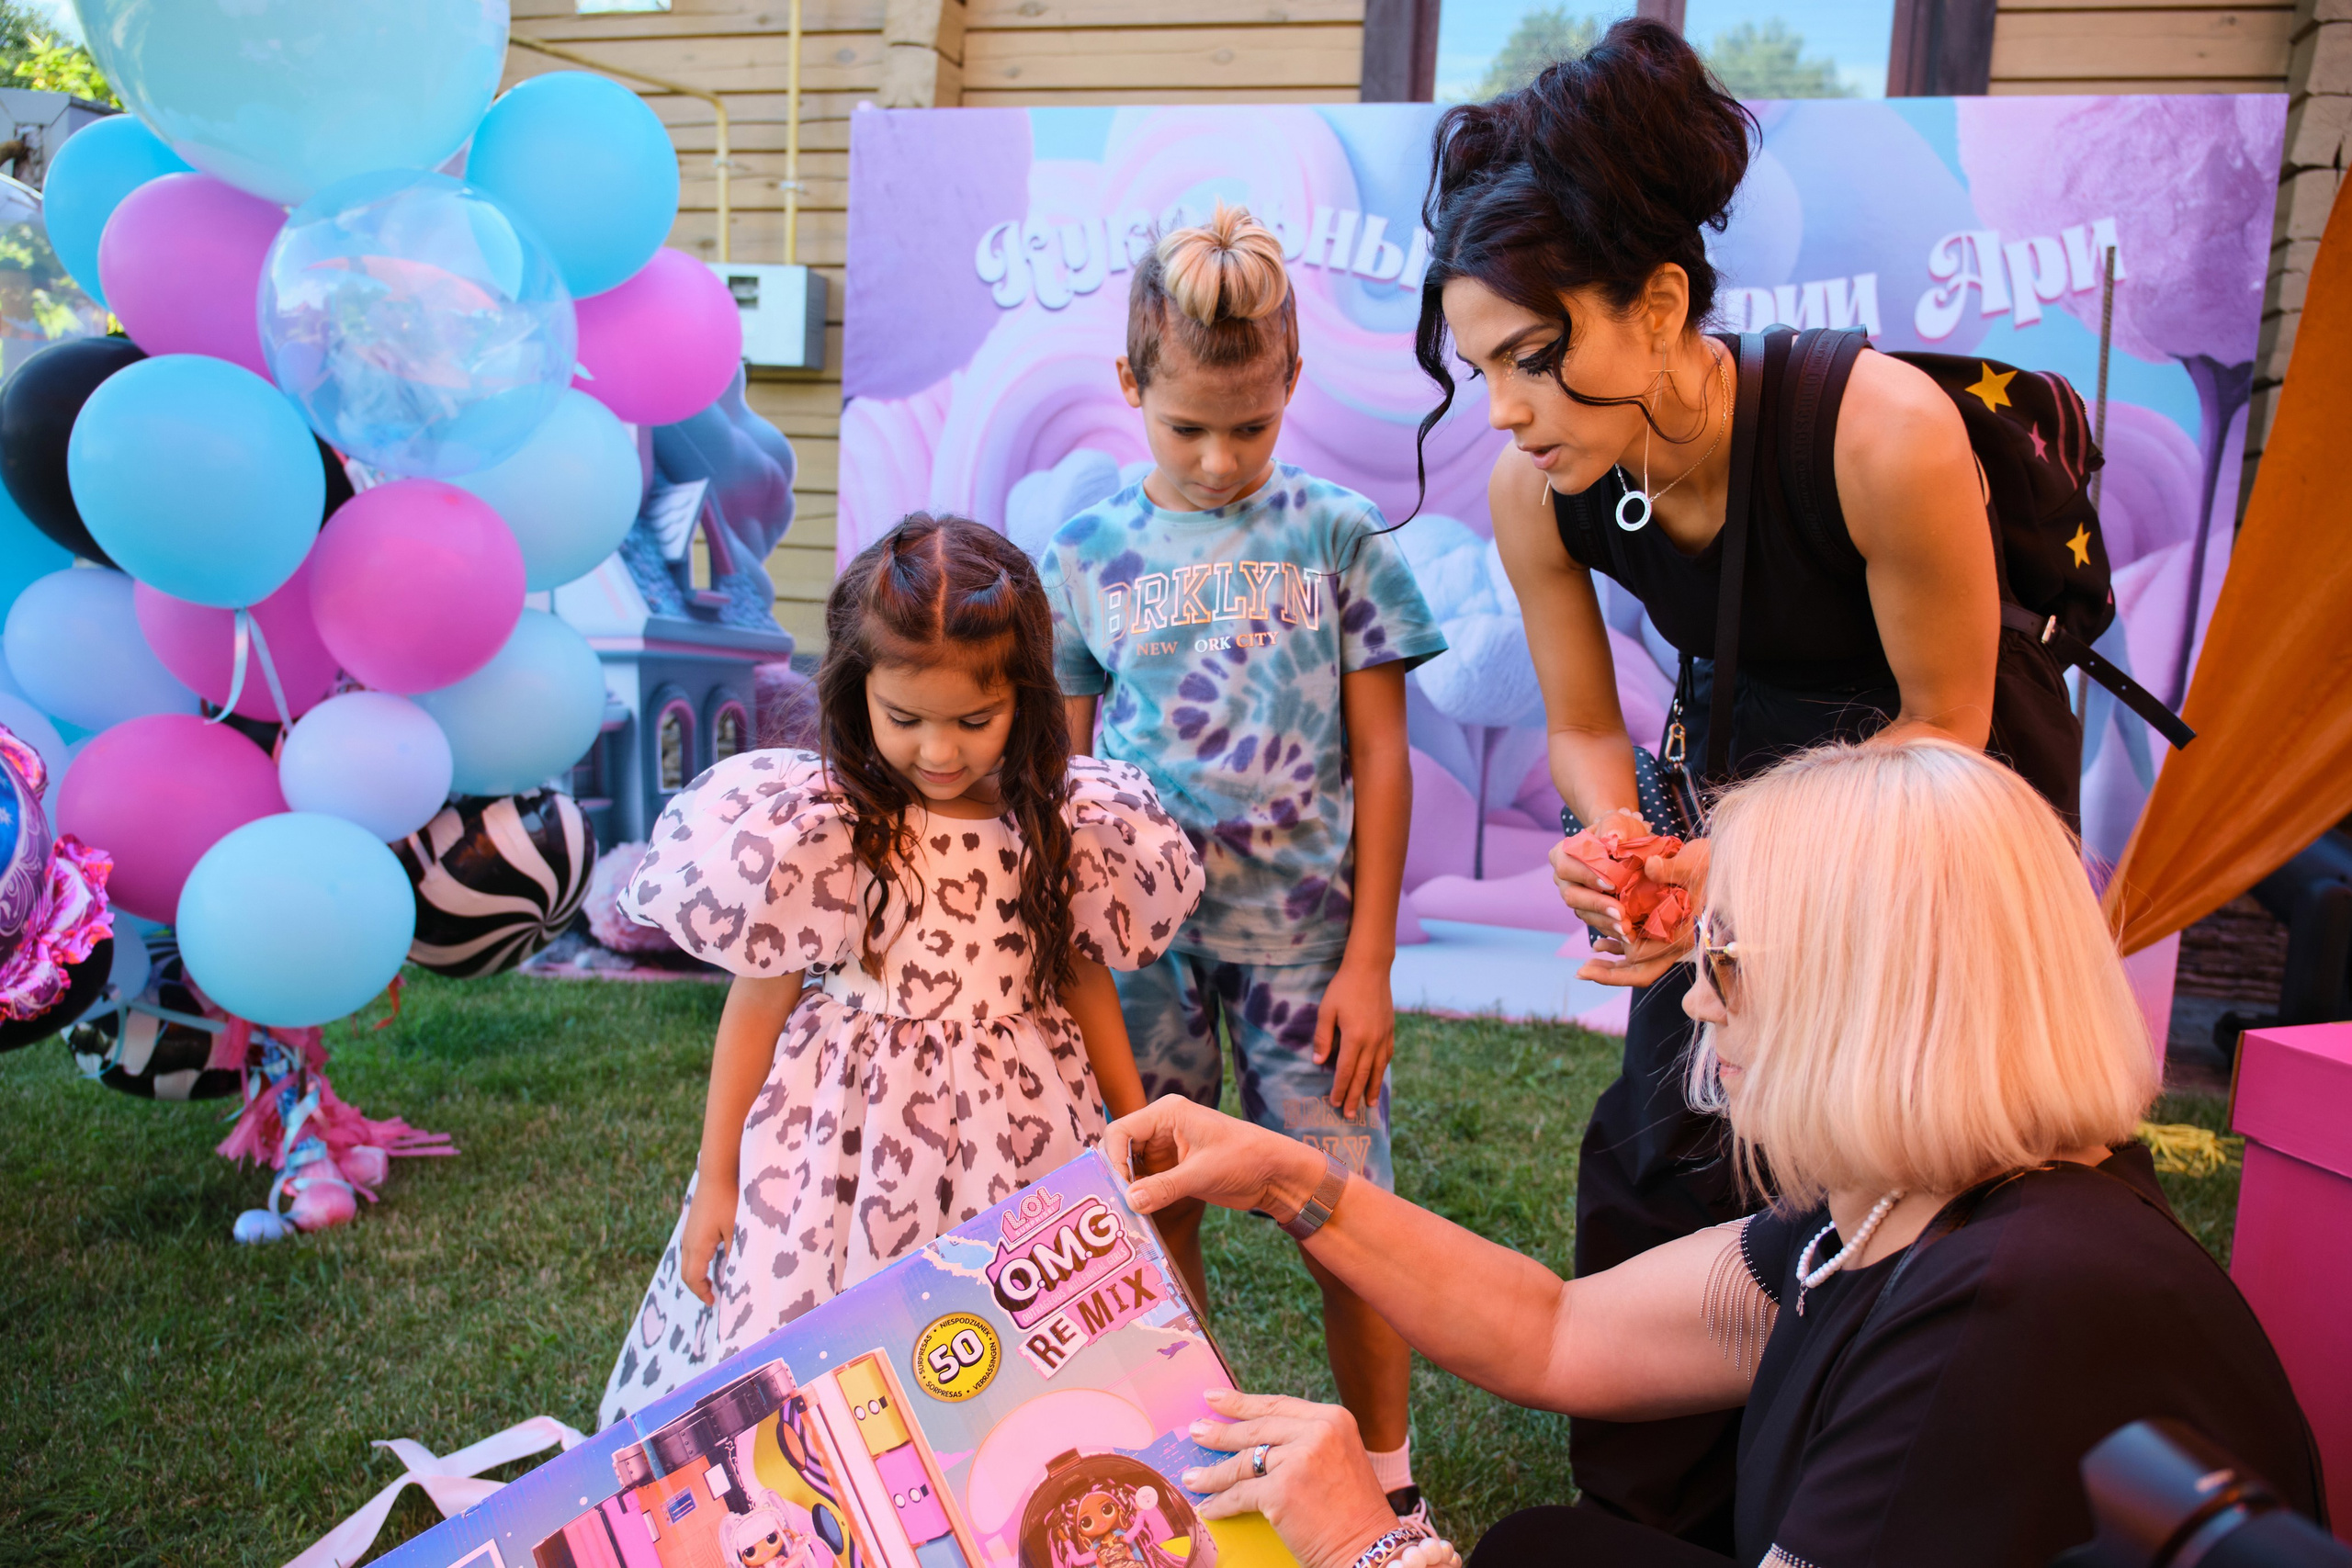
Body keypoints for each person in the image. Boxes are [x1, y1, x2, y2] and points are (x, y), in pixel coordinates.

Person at [1106, 740, 2324, 1568]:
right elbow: (1555, 1329)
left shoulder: (1996, 1326)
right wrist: (1279, 1172)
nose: (1697, 1004)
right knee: (1549, 1548)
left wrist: (1368, 1539)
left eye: (1729, 962)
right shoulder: (1918, 1207)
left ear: (1873, 998)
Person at [1413, 20, 2026, 1540]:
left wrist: (1741, 870)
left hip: (1922, 829)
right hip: (1733, 809)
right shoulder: (1534, 488)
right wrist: (1622, 845)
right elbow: (1580, 726)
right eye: (1480, 365)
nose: (1502, 406)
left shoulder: (1881, 432)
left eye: (1535, 356)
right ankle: (1647, 1521)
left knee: (1889, 1175)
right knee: (1660, 1144)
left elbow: (1952, 722)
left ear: (1662, 300)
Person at [598, 513, 1203, 1425]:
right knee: (830, 1339)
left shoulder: (1061, 822)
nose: (939, 750)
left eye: (975, 719)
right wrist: (718, 1176)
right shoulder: (826, 825)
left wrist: (1133, 1122)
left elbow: (1083, 980)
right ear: (857, 692)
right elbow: (756, 1008)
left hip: (1024, 1129)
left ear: (1024, 698)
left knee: (1031, 1344)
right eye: (905, 719)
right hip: (845, 1136)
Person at [1039, 202, 1449, 1518]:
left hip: (1307, 949)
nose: (1219, 457)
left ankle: (1386, 1479)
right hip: (1143, 952)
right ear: (1130, 388)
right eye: (1186, 426)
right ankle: (1195, 1471)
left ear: (1291, 391)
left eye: (1250, 425)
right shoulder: (1089, 553)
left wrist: (1371, 960)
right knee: (1154, 1208)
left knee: (1347, 1219)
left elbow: (1383, 758)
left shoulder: (1336, 537)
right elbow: (1066, 781)